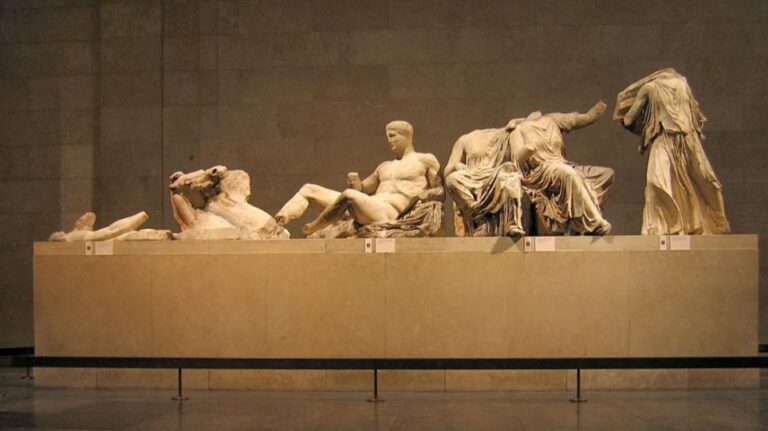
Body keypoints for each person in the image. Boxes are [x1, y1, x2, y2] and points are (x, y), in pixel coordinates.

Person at [275, 121, 445, 236]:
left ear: (406, 136)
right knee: (309, 189)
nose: (388, 140)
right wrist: (355, 182)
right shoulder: (384, 166)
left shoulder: (425, 159)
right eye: (387, 136)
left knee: (349, 195)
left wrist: (424, 195)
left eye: (393, 136)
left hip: (388, 213)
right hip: (368, 207)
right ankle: (277, 223)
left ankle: (313, 228)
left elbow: (440, 191)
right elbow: (362, 189)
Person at [614, 68, 730, 235]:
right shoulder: (678, 85)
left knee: (695, 179)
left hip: (680, 139)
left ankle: (710, 222)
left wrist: (623, 118)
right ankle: (666, 226)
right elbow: (696, 114)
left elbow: (629, 118)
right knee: (661, 181)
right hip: (677, 139)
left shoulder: (652, 88)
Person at [507, 101, 614, 235]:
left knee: (606, 174)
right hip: (541, 171)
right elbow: (517, 158)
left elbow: (584, 118)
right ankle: (595, 222)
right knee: (568, 174)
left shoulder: (552, 120)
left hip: (563, 164)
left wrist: (601, 107)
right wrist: (528, 149)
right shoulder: (518, 130)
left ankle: (580, 220)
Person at [444, 127, 525, 237]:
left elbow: (532, 120)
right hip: (472, 177)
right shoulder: (464, 140)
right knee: (452, 179)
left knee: (510, 176)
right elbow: (447, 171)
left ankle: (511, 223)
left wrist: (515, 122)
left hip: (496, 176)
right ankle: (476, 214)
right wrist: (456, 166)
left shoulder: (508, 135)